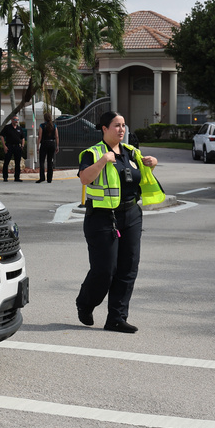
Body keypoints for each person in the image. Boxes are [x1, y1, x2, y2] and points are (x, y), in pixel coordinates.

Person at [76, 111, 165, 334]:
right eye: (116, 125)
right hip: (102, 217)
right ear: (104, 128)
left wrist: (151, 164)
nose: (121, 129)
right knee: (105, 270)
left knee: (128, 268)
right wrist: (103, 161)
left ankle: (116, 318)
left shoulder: (132, 153)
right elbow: (85, 179)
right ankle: (85, 303)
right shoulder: (93, 153)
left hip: (131, 214)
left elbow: (137, 179)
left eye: (124, 125)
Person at [0, 115, 24, 182]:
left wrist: (22, 145)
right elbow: (2, 136)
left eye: (17, 120)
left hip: (17, 147)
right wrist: (4, 146)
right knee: (6, 162)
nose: (16, 121)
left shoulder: (19, 128)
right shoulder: (7, 127)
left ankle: (17, 177)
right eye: (15, 120)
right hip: (9, 146)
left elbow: (22, 137)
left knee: (17, 163)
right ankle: (5, 177)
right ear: (12, 120)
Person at [36, 112, 59, 183]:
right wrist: (57, 145)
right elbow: (57, 136)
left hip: (44, 143)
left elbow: (40, 136)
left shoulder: (42, 125)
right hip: (52, 143)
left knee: (42, 161)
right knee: (50, 161)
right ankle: (49, 178)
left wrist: (37, 146)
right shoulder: (54, 125)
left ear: (44, 118)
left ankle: (42, 177)